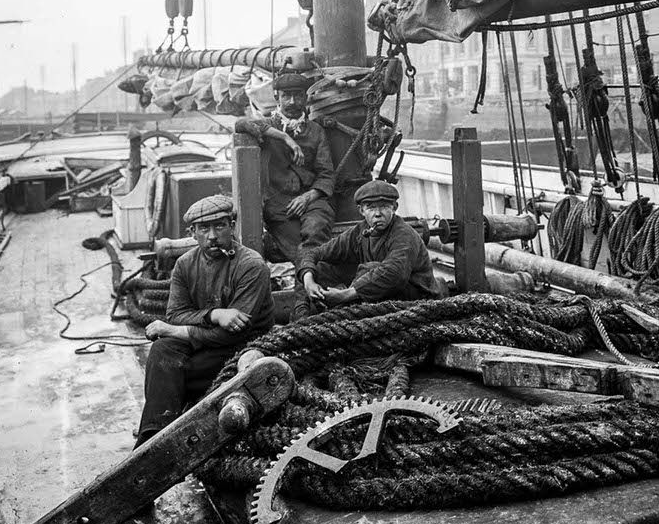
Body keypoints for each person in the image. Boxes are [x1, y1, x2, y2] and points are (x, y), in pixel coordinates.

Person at [135, 195, 274, 448]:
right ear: (192, 233)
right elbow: (175, 314)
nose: (212, 235)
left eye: (219, 226)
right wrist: (214, 314)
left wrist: (175, 330)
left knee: (172, 376)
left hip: (242, 346)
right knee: (162, 350)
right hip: (206, 339)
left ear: (232, 227)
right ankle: (152, 437)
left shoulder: (251, 265)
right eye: (203, 228)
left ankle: (161, 437)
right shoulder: (185, 264)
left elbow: (232, 334)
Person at [235, 72, 336, 318]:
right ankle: (306, 308)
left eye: (297, 95)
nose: (292, 101)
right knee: (301, 249)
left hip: (313, 201)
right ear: (277, 99)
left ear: (305, 99)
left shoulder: (316, 131)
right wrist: (285, 138)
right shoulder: (268, 125)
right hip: (279, 206)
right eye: (286, 96)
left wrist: (309, 197)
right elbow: (241, 124)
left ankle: (301, 311)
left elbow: (326, 174)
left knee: (315, 233)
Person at [297, 180, 444, 313]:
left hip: (417, 298)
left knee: (369, 268)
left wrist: (345, 295)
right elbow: (314, 253)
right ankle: (304, 313)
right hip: (384, 294)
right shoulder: (360, 231)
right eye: (371, 208)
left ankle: (343, 310)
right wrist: (309, 281)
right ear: (361, 210)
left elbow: (394, 273)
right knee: (322, 267)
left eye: (384, 207)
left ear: (395, 207)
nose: (378, 214)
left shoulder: (404, 234)